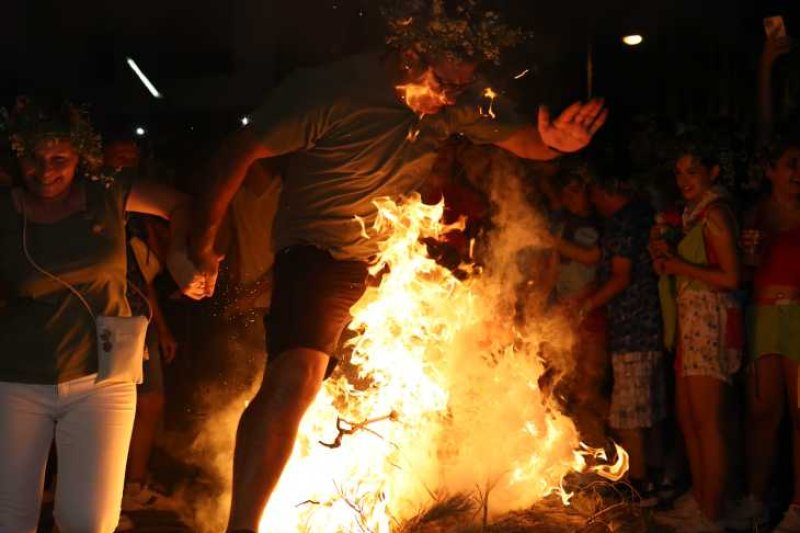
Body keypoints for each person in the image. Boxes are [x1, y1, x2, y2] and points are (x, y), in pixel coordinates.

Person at [188, 5, 608, 531]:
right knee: (297, 378)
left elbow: (525, 141)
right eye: (443, 83)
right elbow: (238, 153)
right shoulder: (329, 89)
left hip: (391, 258)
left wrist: (555, 144)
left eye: (462, 87)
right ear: (410, 55)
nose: (452, 97)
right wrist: (202, 246)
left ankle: (415, 496)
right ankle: (242, 526)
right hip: (320, 253)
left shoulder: (452, 102)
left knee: (457, 357)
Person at [0, 97, 204, 533]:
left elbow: (180, 205)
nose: (46, 169)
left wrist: (183, 256)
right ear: (18, 155)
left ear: (80, 156)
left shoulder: (107, 191)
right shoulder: (5, 209)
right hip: (16, 381)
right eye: (33, 158)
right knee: (10, 519)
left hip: (102, 382)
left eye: (59, 158)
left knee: (88, 522)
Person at [557, 168, 665, 505]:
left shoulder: (621, 222)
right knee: (647, 409)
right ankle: (654, 477)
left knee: (628, 413)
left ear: (603, 192)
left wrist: (585, 306)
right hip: (643, 324)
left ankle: (639, 483)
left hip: (634, 327)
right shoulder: (641, 214)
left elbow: (620, 277)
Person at [650, 144, 742, 532]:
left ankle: (713, 515)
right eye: (679, 173)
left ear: (713, 173)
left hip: (710, 322)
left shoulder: (716, 215)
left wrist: (679, 264)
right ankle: (701, 502)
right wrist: (665, 261)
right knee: (689, 420)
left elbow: (732, 277)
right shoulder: (691, 217)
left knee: (708, 423)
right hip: (689, 323)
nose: (684, 180)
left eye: (693, 172)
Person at [104, 135, 179, 513]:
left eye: (132, 156)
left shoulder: (133, 212)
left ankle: (131, 485)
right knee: (116, 407)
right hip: (110, 321)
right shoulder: (98, 205)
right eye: (119, 153)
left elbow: (143, 275)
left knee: (150, 401)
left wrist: (160, 327)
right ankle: (110, 494)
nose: (126, 159)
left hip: (138, 317)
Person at [735, 135, 800, 532]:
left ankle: (797, 507)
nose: (799, 173)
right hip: (762, 314)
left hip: (798, 315)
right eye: (792, 163)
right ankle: (756, 502)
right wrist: (748, 257)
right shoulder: (756, 214)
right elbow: (742, 273)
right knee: (762, 413)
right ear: (770, 171)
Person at [548, 163, 608, 447]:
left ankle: (609, 450)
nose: (570, 197)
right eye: (567, 192)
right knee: (564, 386)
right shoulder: (561, 225)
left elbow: (593, 258)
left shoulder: (599, 224)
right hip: (564, 313)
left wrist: (553, 243)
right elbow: (551, 268)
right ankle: (581, 453)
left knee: (589, 388)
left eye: (576, 191)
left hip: (590, 315)